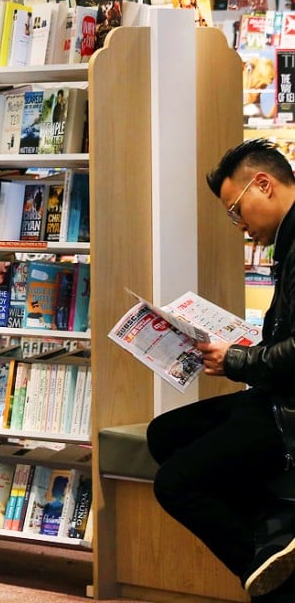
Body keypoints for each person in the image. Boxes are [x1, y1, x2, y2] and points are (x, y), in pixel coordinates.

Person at [147, 138, 295, 601]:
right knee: (164, 435)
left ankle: (275, 580)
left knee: (175, 482)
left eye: (236, 210)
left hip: (288, 410)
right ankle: (275, 532)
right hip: (278, 394)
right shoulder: (288, 242)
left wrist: (236, 359)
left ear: (264, 184)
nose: (240, 227)